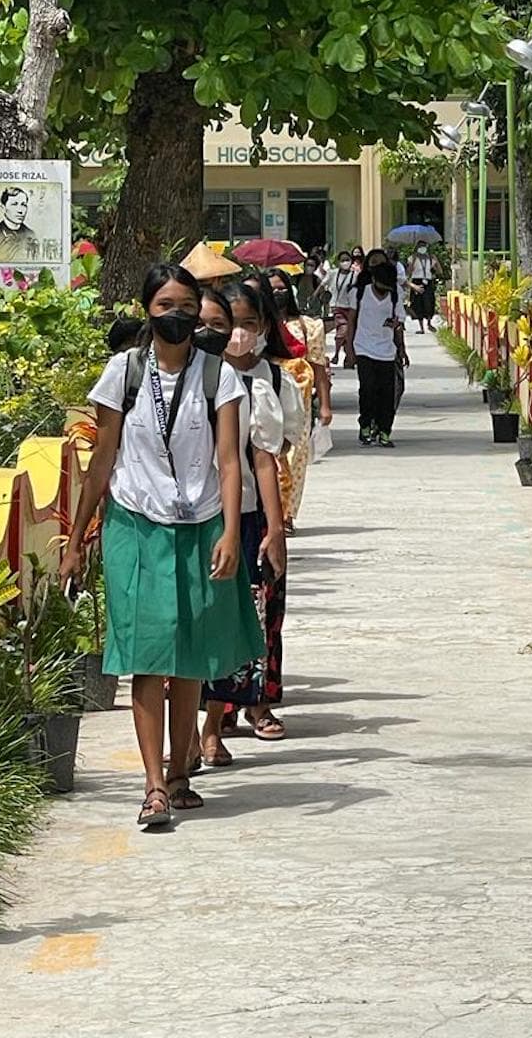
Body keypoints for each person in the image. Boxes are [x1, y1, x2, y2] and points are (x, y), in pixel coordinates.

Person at [60, 264, 264, 828]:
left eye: (185, 306)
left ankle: (180, 772)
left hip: (199, 525)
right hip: (136, 524)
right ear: (146, 310)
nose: (176, 316)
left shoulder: (216, 376)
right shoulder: (122, 374)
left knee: (192, 655)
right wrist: (77, 541)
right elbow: (101, 459)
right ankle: (152, 784)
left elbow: (230, 459)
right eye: (164, 306)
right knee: (148, 657)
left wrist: (228, 529)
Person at [197, 284, 293, 757]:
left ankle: (215, 724)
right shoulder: (168, 378)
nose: (229, 335)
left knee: (238, 619)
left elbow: (262, 459)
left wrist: (275, 530)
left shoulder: (251, 386)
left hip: (243, 515)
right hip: (183, 518)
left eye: (235, 325)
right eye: (213, 324)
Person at [267, 268, 332, 532]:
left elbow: (318, 367)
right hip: (267, 399)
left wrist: (325, 404)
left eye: (282, 288)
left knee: (294, 459)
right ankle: (271, 511)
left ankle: (287, 514)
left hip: (300, 403)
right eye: (271, 289)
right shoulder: (260, 325)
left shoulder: (308, 325)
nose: (277, 294)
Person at [346, 255, 405, 448]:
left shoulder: (396, 294)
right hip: (363, 348)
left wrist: (401, 348)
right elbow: (351, 322)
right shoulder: (359, 294)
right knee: (368, 390)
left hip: (387, 351)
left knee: (387, 394)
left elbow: (399, 324)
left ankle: (385, 430)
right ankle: (365, 426)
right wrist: (349, 350)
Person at [0, 187, 39, 264]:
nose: (20, 210)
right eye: (14, 204)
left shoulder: (30, 234)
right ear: (3, 208)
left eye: (23, 205)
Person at [324, 251, 358, 367]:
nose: (345, 263)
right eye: (342, 260)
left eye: (347, 260)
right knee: (342, 332)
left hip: (351, 308)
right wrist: (315, 295)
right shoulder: (333, 273)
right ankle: (337, 354)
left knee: (349, 335)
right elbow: (323, 284)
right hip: (337, 307)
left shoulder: (355, 275)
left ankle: (349, 359)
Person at [408, 243, 443, 332]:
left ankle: (429, 323)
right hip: (417, 280)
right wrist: (414, 260)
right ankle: (421, 327)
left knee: (429, 302)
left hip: (428, 280)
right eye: (420, 246)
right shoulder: (412, 258)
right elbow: (409, 272)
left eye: (424, 246)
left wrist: (436, 261)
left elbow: (439, 271)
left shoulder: (430, 258)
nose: (422, 248)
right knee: (418, 302)